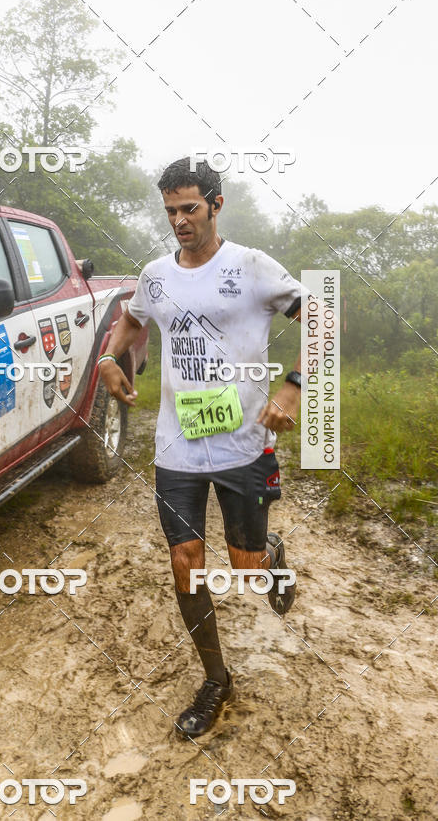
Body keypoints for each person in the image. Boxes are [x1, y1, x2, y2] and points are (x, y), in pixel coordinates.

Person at [98, 157, 303, 738]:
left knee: (244, 567)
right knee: (186, 563)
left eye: (190, 208)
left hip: (244, 445)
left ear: (216, 204)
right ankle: (216, 679)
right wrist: (113, 358)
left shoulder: (253, 267)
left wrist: (292, 388)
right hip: (177, 446)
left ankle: (270, 558)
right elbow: (132, 322)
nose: (180, 221)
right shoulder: (157, 273)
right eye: (170, 211)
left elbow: (322, 316)